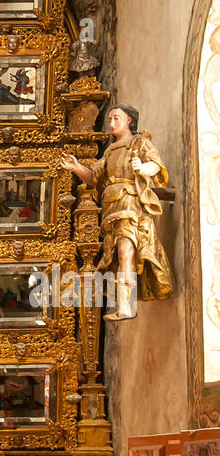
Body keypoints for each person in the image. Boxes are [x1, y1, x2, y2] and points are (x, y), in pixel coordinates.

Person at [61, 104, 173, 321]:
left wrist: (143, 168)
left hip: (130, 203)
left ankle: (127, 306)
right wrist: (76, 168)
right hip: (112, 208)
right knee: (116, 256)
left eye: (116, 118)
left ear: (129, 120)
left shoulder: (139, 143)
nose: (111, 123)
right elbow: (94, 177)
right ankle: (124, 304)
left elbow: (156, 165)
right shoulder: (110, 151)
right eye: (110, 119)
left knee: (126, 252)